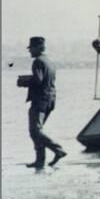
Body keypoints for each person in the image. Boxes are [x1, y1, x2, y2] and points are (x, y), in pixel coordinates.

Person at [17, 37, 66, 169]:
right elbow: (45, 80)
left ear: (38, 48)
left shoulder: (38, 62)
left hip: (40, 100)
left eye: (31, 48)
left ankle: (58, 150)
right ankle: (40, 161)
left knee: (35, 131)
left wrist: (23, 82)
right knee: (37, 131)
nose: (29, 51)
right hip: (50, 100)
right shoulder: (49, 62)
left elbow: (38, 80)